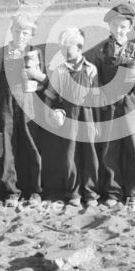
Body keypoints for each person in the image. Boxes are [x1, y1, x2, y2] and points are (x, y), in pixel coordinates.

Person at [91, 2, 135, 207]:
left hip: (131, 105)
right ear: (109, 26)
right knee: (110, 150)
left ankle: (134, 192)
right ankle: (113, 192)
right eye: (115, 26)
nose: (119, 30)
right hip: (110, 107)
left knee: (133, 148)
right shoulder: (101, 50)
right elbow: (96, 80)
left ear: (130, 28)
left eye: (123, 26)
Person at [0, 12, 47, 206]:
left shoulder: (36, 53)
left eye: (26, 32)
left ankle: (35, 190)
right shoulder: (2, 53)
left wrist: (35, 81)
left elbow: (43, 83)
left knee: (32, 145)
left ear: (31, 34)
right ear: (11, 31)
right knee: (8, 147)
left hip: (30, 104)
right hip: (6, 103)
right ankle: (11, 191)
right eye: (17, 31)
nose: (21, 36)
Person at [44, 28, 100, 208]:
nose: (64, 53)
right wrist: (49, 112)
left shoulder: (91, 70)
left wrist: (98, 123)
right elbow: (50, 95)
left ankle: (90, 192)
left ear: (79, 47)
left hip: (88, 114)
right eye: (62, 50)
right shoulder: (60, 72)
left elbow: (97, 97)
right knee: (70, 154)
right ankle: (73, 192)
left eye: (68, 49)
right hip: (69, 116)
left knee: (90, 153)